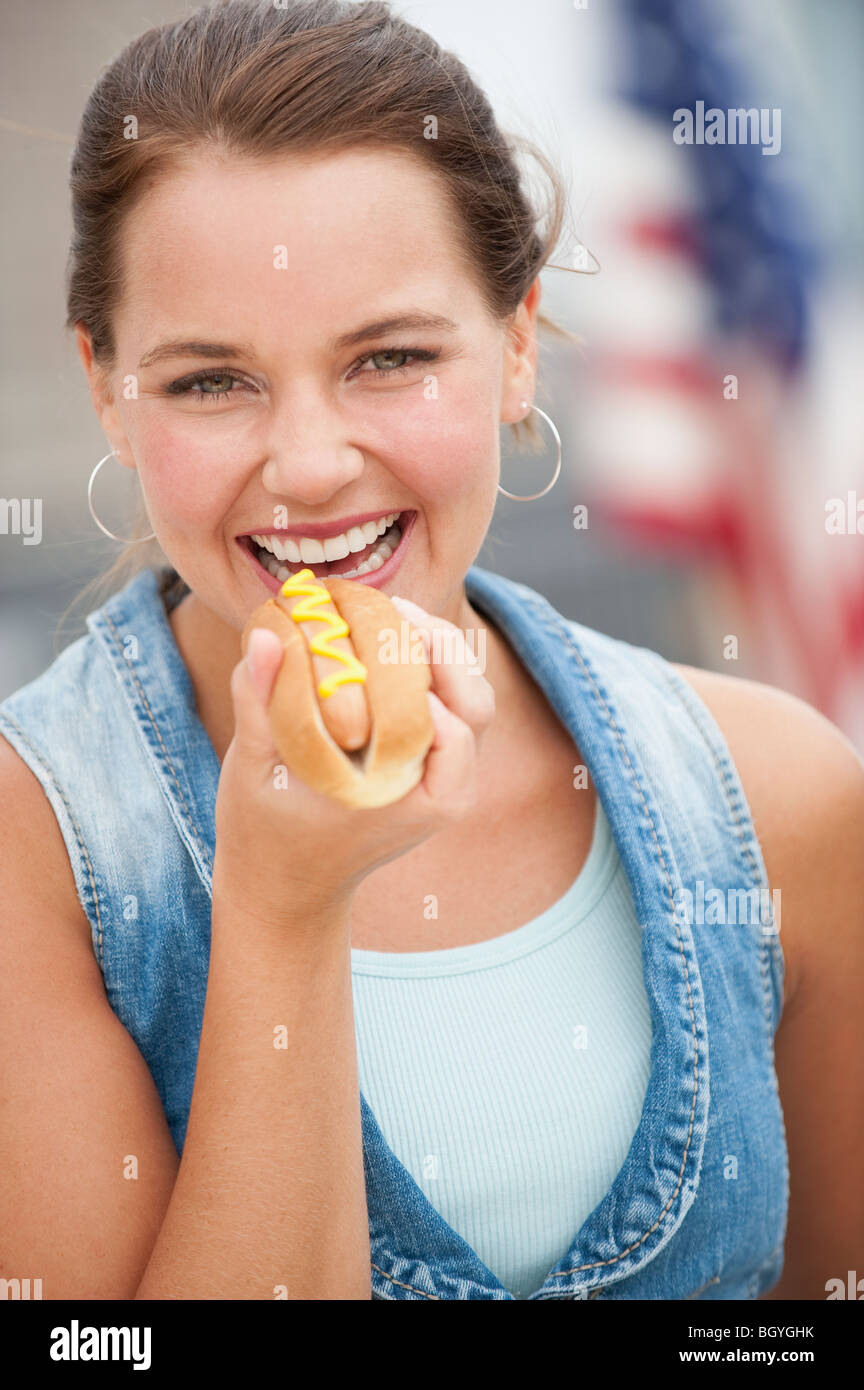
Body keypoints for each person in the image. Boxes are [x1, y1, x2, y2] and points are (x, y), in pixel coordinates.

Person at [1, 0, 861, 1302]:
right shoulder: (35, 850)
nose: (305, 465)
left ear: (517, 347)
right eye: (208, 382)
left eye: (389, 357)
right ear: (107, 386)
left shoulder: (779, 797)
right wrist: (282, 915)